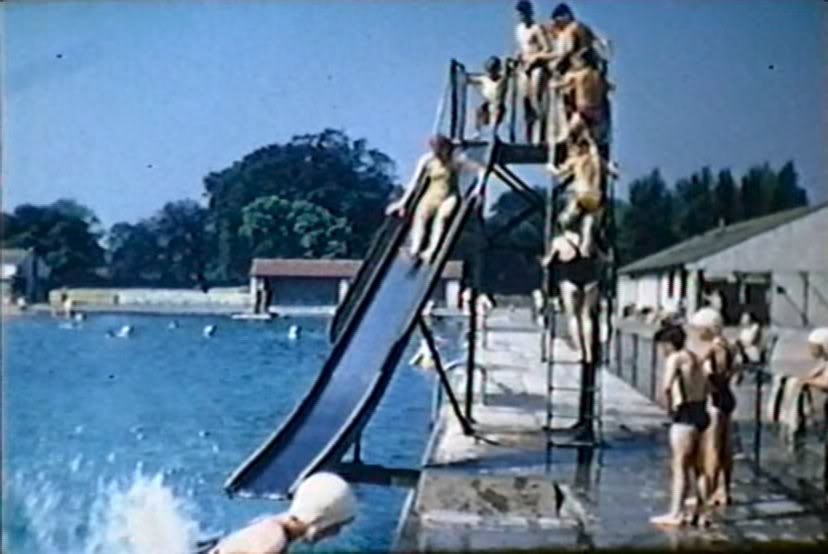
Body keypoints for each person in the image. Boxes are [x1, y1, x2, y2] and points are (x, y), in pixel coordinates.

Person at [386, 135, 484, 264]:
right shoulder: (427, 160)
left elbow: (481, 169)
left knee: (442, 218)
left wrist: (478, 189)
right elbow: (414, 182)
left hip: (449, 195)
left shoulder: (456, 160)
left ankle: (432, 251)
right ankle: (415, 249)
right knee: (421, 216)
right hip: (431, 195)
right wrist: (403, 203)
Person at [650, 324, 711, 527]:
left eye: (661, 346)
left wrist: (667, 406)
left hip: (684, 414)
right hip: (701, 411)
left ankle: (676, 513)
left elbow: (666, 386)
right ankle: (701, 512)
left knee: (680, 466)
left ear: (667, 344)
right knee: (698, 468)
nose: (660, 351)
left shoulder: (675, 358)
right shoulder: (695, 357)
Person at [208, 472, 356, 554]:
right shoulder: (273, 541)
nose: (336, 533)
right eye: (337, 526)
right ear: (318, 522)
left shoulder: (273, 527)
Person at [690, 307, 737, 507]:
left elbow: (719, 371)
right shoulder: (727, 344)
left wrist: (700, 362)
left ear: (709, 328)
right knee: (724, 447)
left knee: (712, 449)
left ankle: (707, 493)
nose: (696, 332)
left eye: (699, 328)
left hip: (714, 399)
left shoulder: (715, 347)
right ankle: (723, 489)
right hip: (725, 397)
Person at [548, 135, 618, 258]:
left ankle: (569, 241)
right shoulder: (598, 160)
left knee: (563, 221)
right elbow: (613, 173)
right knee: (589, 220)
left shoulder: (576, 160)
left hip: (580, 195)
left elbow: (559, 173)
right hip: (596, 197)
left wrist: (551, 168)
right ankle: (586, 245)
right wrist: (613, 168)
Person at [541, 229, 600, 363]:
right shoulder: (589, 238)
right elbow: (602, 256)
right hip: (590, 278)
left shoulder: (559, 241)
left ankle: (580, 351)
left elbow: (547, 262)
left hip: (569, 278)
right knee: (587, 316)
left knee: (573, 317)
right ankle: (590, 353)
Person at [549, 48, 613, 154]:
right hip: (598, 112)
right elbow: (609, 88)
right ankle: (595, 156)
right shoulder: (598, 76)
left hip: (583, 111)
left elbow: (559, 85)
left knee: (566, 136)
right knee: (591, 140)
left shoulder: (578, 75)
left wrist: (553, 82)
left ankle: (558, 161)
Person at [514, 0, 551, 144]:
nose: (521, 17)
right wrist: (518, 56)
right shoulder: (519, 29)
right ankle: (528, 137)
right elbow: (522, 47)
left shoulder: (537, 29)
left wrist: (535, 59)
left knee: (537, 100)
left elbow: (547, 49)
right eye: (519, 14)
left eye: (523, 14)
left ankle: (542, 135)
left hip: (537, 67)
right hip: (524, 67)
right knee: (525, 101)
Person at [468, 56, 508, 138]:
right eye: (490, 71)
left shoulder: (503, 79)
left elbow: (508, 72)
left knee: (498, 111)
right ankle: (477, 132)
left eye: (493, 70)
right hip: (488, 101)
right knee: (479, 110)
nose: (491, 73)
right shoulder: (484, 79)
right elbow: (471, 80)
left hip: (498, 103)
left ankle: (494, 131)